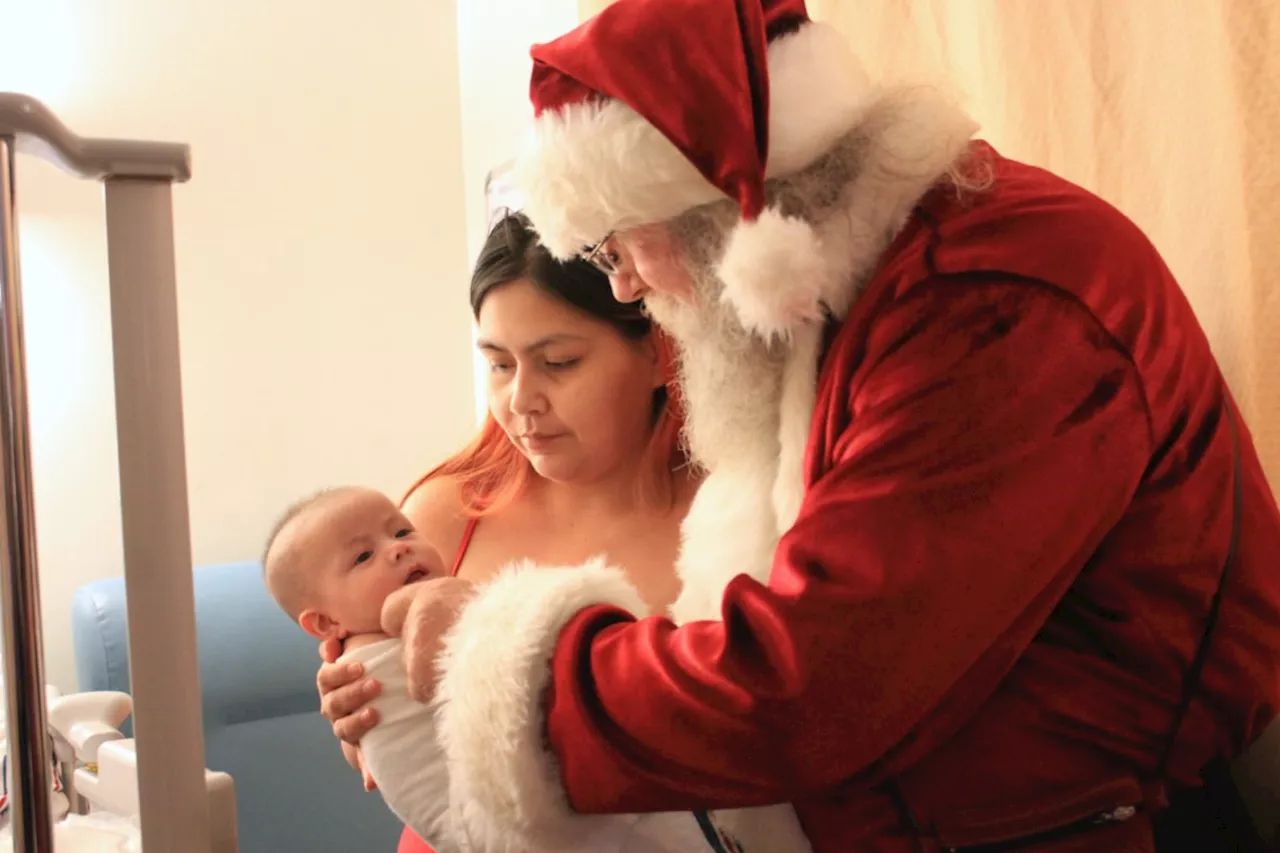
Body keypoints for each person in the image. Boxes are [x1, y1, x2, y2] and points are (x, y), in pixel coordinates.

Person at [324, 0, 1280, 851]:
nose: (623, 285)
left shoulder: (988, 305)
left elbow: (809, 690)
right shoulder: (869, 300)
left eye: (619, 246)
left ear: (720, 213)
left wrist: (495, 658)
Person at [316, 212, 811, 852]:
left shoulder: (742, 517)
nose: (521, 400)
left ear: (661, 352)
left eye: (558, 361)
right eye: (498, 364)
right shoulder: (440, 515)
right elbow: (384, 721)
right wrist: (357, 708)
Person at [263, 486, 450, 837]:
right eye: (363, 557)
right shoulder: (368, 664)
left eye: (401, 531)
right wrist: (352, 734)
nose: (399, 548)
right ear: (326, 623)